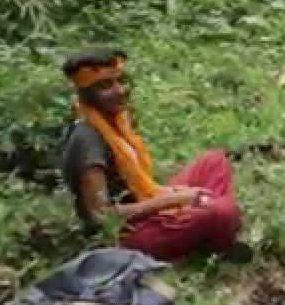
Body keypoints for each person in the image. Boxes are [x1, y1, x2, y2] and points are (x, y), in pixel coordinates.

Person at [60, 48, 243, 261]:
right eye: (105, 86)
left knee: (214, 161)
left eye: (121, 81)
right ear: (87, 94)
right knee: (222, 211)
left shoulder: (118, 119)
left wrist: (171, 193)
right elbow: (101, 217)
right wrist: (173, 200)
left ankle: (208, 221)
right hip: (125, 237)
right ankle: (214, 228)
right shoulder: (87, 139)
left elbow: (138, 186)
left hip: (143, 205)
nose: (120, 91)